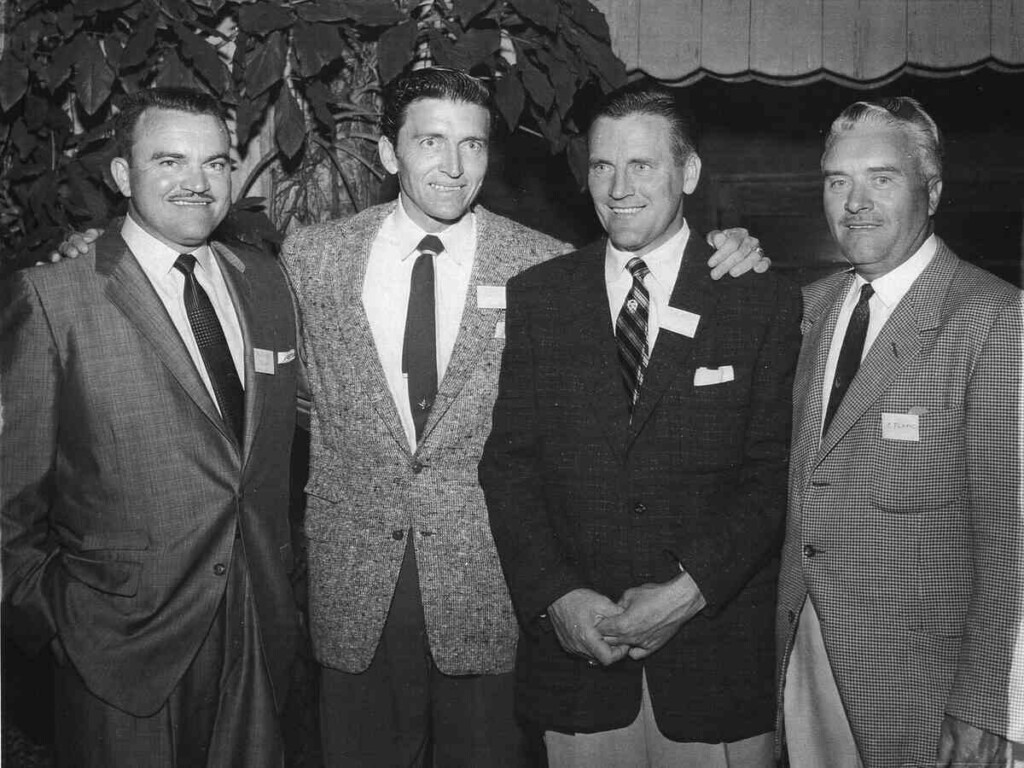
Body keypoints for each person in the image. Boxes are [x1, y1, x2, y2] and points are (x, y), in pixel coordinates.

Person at [280, 68, 768, 766]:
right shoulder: (312, 258)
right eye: (431, 142)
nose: (453, 167)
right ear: (390, 154)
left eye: (473, 145)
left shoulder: (541, 265)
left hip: (491, 593)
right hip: (353, 593)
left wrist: (727, 247)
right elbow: (289, 397)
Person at [478, 82, 801, 768]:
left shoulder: (758, 297)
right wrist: (557, 598)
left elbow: (772, 475)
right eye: (601, 165)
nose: (618, 187)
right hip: (580, 667)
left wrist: (687, 594)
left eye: (642, 165)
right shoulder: (541, 296)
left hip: (713, 666)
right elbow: (510, 465)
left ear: (687, 173)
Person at [0, 87, 301, 768]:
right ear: (122, 176)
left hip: (258, 626)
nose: (197, 183)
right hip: (118, 649)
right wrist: (60, 626)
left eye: (216, 163)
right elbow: (8, 506)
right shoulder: (53, 298)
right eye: (170, 161)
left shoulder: (266, 284)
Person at [775, 97, 1023, 768]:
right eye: (837, 181)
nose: (855, 201)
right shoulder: (807, 309)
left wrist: (988, 706)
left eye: (881, 178)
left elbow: (1012, 538)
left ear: (932, 190)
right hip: (805, 665)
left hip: (926, 688)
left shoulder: (995, 320)